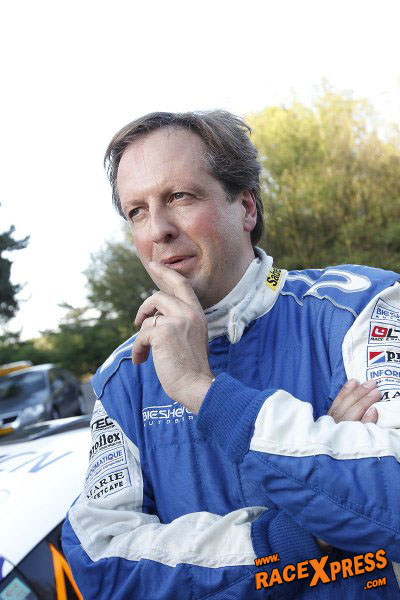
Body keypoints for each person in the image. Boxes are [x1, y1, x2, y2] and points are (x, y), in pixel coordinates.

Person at [62, 111, 400, 599]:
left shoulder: (361, 307)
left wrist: (202, 390)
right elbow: (102, 565)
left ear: (245, 208)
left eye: (179, 196)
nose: (157, 230)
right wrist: (300, 531)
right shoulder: (124, 377)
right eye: (136, 211)